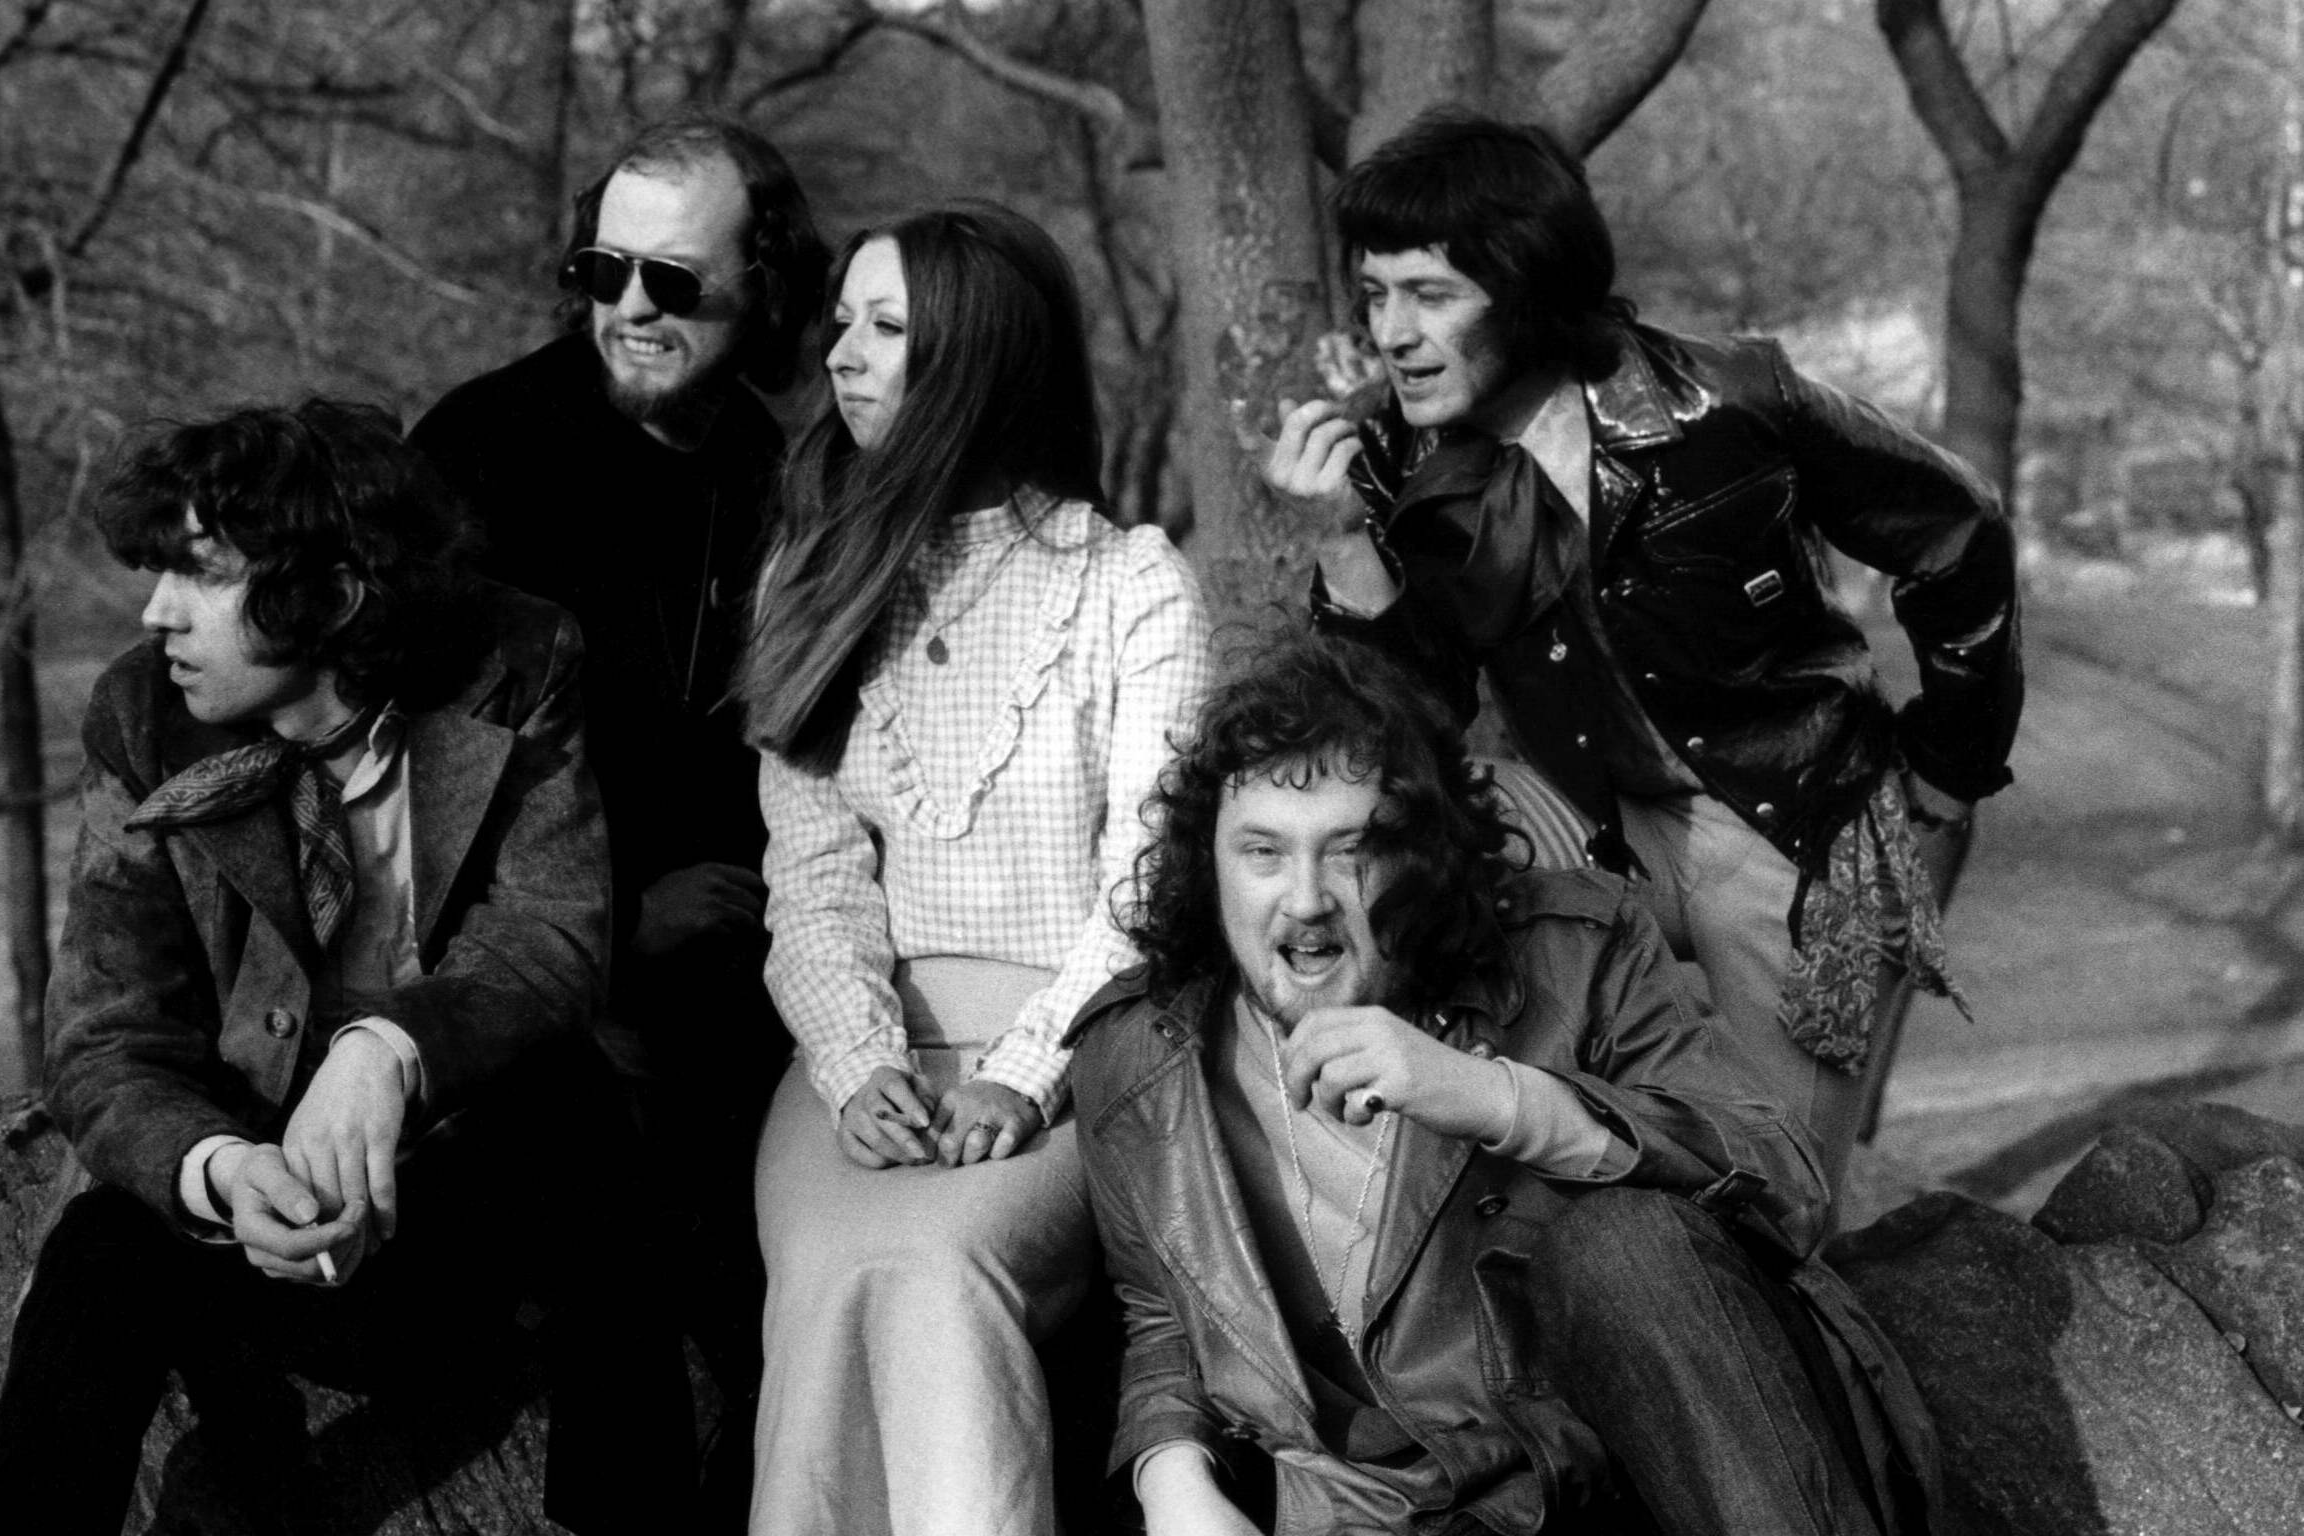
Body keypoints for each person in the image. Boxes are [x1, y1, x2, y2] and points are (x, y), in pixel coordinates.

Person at [1264, 111, 2022, 1188]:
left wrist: (1947, 771)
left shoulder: (1730, 403)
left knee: (1777, 1194)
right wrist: (1344, 541)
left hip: (1793, 824)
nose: (1391, 333)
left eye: (1431, 296)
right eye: (1377, 293)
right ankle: (1383, 1200)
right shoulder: (1395, 460)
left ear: (1527, 289)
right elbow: (1406, 723)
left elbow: (1961, 531)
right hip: (1588, 824)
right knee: (1378, 830)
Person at [0, 401, 668, 1535]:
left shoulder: (516, 659)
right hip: (255, 1198)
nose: (157, 613)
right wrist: (226, 1173)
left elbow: (553, 934)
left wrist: (390, 1049)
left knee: (579, 1104)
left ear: (326, 592)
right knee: (101, 1249)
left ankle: (629, 1515)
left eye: (200, 577)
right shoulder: (144, 714)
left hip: (455, 1194)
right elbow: (106, 1033)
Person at [1067, 631, 1941, 1535]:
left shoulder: (1574, 950)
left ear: (1425, 853)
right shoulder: (1139, 1056)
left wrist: (1503, 1100)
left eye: (1350, 850)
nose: (1305, 898)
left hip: (1606, 1481)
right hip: (1366, 1513)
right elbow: (1162, 1317)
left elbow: (1787, 1185)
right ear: (1207, 862)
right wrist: (1171, 1476)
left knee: (1625, 1241)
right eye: (1262, 852)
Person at [736, 200, 1209, 1536]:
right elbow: (814, 880)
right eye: (843, 324)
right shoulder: (813, 580)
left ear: (980, 357)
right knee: (834, 1261)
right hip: (868, 1058)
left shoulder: (1130, 584)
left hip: (1082, 1053)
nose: (843, 355)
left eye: (887, 328)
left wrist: (1025, 1072)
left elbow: (1154, 875)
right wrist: (852, 1061)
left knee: (938, 1257)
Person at [407, 109, 828, 1511]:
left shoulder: (774, 474)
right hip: (531, 959)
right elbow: (423, 799)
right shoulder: (482, 453)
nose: (630, 310)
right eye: (602, 273)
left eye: (675, 283)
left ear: (763, 285)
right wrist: (623, 918)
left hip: (742, 943)